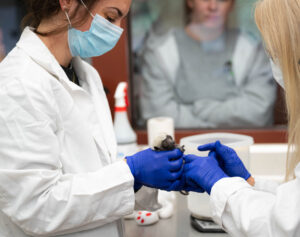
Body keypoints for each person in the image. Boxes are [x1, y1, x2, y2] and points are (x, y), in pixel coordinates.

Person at [0, 0, 187, 236]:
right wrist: (130, 173)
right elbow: (36, 206)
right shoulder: (16, 84)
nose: (117, 30)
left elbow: (95, 177)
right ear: (67, 2)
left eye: (121, 20)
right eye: (110, 18)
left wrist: (145, 180)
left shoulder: (87, 75)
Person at [182, 0, 300, 235]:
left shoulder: (245, 47)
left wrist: (220, 185)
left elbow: (284, 227)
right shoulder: (166, 48)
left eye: (275, 53)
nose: (273, 62)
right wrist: (249, 182)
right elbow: (293, 205)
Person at [139, 0, 276, 128]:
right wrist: (211, 135)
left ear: (232, 4)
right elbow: (158, 115)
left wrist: (195, 109)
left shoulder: (251, 49)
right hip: (180, 148)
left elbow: (257, 111)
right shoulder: (161, 51)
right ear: (190, 1)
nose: (213, 7)